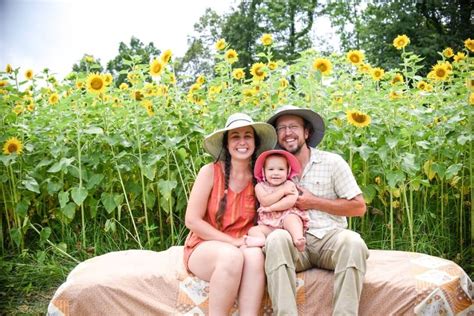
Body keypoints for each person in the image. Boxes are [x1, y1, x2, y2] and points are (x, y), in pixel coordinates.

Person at [264, 105, 369, 316]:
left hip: (329, 238)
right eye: (281, 128)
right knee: (275, 239)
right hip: (294, 243)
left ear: (306, 132)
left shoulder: (332, 162)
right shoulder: (272, 167)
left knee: (354, 242)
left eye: (293, 126)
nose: (287, 133)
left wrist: (313, 202)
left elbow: (359, 207)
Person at [183, 112, 277, 315]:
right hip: (204, 245)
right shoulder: (209, 172)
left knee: (254, 257)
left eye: (247, 136)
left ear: (255, 142)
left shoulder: (261, 180)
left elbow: (270, 217)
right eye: (235, 136)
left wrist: (258, 237)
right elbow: (192, 220)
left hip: (243, 244)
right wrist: (231, 242)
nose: (242, 142)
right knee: (231, 256)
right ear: (226, 144)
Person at [245, 149, 310, 252]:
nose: (276, 173)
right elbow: (265, 201)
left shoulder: (289, 185)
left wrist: (271, 208)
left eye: (281, 169)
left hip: (286, 220)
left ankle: (298, 239)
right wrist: (282, 191)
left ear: (288, 171)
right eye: (271, 169)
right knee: (254, 230)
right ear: (263, 171)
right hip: (269, 225)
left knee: (292, 219)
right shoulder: (260, 187)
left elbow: (290, 201)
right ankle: (262, 240)